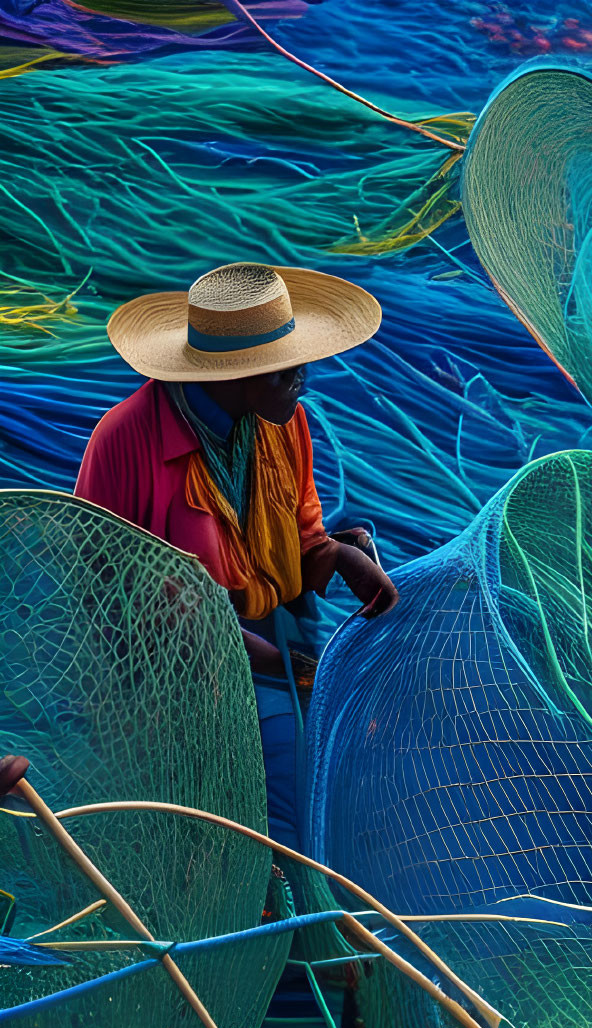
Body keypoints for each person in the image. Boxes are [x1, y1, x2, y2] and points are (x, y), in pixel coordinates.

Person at [75, 261, 398, 845]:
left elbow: (301, 542)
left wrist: (339, 558)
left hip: (277, 650)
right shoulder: (123, 442)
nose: (302, 378)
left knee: (356, 773)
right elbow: (103, 600)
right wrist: (247, 652)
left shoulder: (284, 423)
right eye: (283, 371)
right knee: (278, 802)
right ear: (231, 374)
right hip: (168, 692)